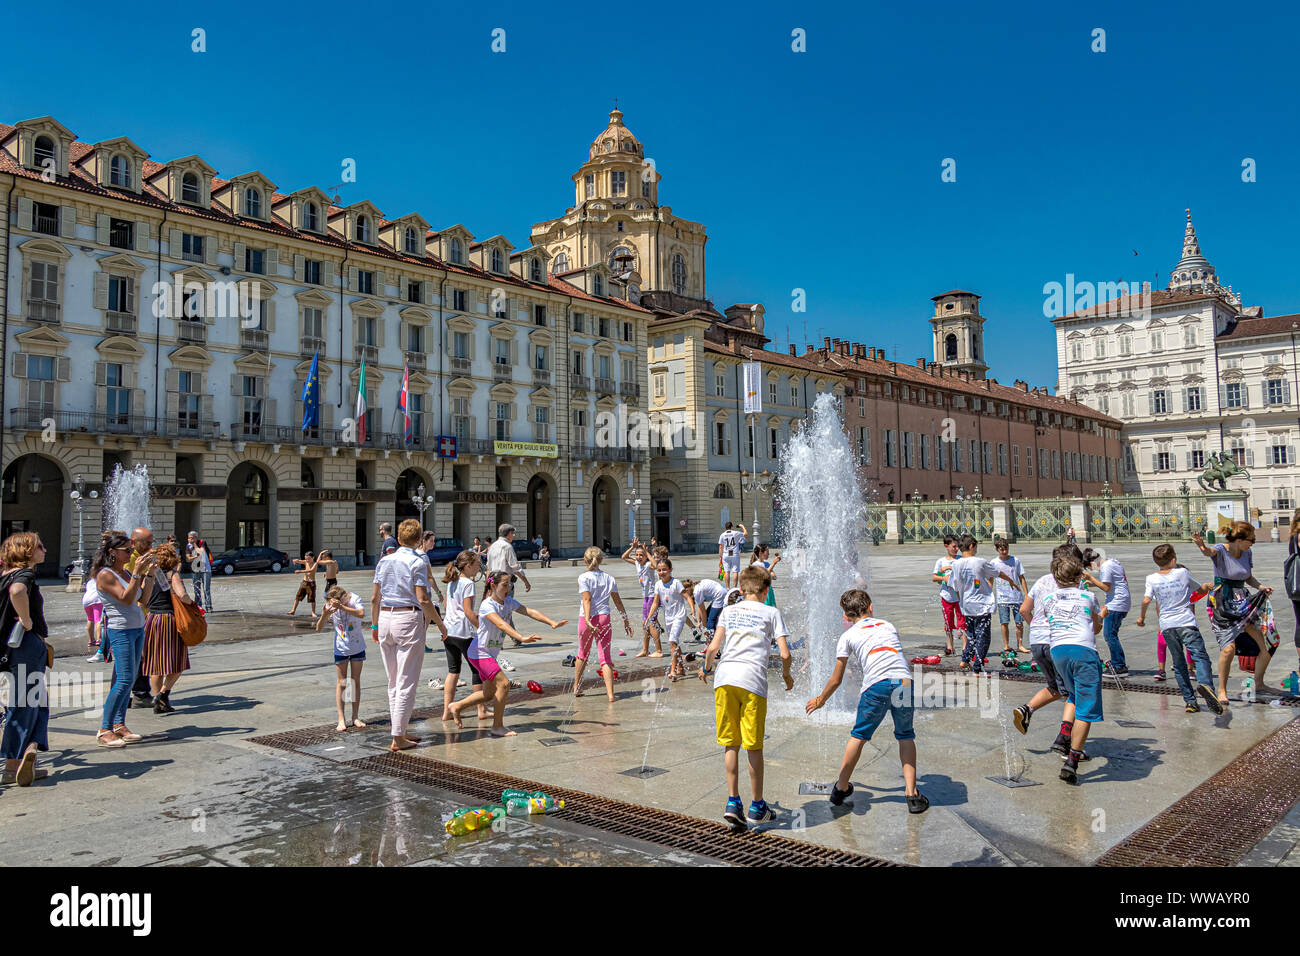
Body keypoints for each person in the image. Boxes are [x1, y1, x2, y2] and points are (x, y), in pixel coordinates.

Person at [805, 589, 928, 813]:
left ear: (846, 616)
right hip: (904, 682)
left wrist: (821, 699)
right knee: (905, 735)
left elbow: (836, 678)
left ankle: (841, 788)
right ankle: (912, 795)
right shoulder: (888, 625)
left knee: (859, 736)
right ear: (870, 607)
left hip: (876, 685)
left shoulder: (847, 636)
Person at [700, 564, 792, 829]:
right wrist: (787, 676)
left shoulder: (729, 611)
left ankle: (732, 802)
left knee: (731, 744)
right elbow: (785, 654)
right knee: (753, 746)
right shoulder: (771, 612)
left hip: (725, 679)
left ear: (741, 590)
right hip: (752, 682)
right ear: (766, 590)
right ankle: (757, 805)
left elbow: (714, 647)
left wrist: (706, 668)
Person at [448, 571, 567, 735]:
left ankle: (457, 706)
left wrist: (551, 622)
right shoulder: (487, 605)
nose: (508, 588)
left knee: (488, 693)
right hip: (480, 653)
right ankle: (497, 727)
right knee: (503, 684)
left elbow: (529, 611)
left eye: (510, 584)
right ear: (493, 585)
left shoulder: (508, 602)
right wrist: (520, 637)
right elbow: (502, 625)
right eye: (504, 585)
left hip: (488, 653)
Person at [370, 519, 447, 751]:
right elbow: (423, 599)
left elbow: (375, 597)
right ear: (418, 539)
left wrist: (374, 626)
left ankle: (399, 731)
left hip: (384, 618)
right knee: (406, 681)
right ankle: (398, 737)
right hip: (408, 619)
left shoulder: (384, 561)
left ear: (400, 538)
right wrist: (441, 626)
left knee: (393, 681)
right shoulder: (417, 562)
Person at [1192, 525, 1279, 704]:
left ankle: (1259, 683)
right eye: (1251, 540)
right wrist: (1202, 547)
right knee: (1228, 648)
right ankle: (1222, 690)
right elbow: (1209, 552)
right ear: (1239, 540)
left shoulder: (1247, 553)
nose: (1253, 544)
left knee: (1267, 644)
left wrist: (1261, 587)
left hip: (1242, 601)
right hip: (1223, 603)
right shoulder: (1221, 550)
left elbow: (1247, 577)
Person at [1134, 544, 1222, 714]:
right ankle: (1205, 685)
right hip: (1186, 622)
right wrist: (1207, 586)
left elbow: (1146, 601)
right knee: (1200, 656)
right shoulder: (1182, 573)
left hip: (1167, 626)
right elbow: (1199, 590)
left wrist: (1141, 618)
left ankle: (1190, 702)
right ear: (1174, 559)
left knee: (1178, 663)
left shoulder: (1151, 578)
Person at [1012, 544, 1081, 755]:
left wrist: (1036, 627)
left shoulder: (1042, 580)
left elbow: (1024, 609)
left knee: (1055, 686)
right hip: (1058, 642)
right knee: (1074, 693)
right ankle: (1064, 738)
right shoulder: (1073, 585)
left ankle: (1027, 709)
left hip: (1037, 642)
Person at [1042, 550, 1104, 784]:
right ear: (1080, 577)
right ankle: (1073, 759)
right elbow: (1096, 628)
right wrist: (1101, 617)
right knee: (1086, 709)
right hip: (1083, 651)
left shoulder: (1049, 600)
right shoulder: (1088, 597)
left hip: (1058, 652)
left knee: (1075, 696)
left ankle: (1065, 736)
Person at [0, 533, 51, 785]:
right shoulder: (24, 576)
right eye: (39, 546)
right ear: (27, 551)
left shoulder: (4, 574)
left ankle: (29, 750)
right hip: (25, 646)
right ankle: (12, 765)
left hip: (13, 648)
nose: (44, 549)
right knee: (26, 702)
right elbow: (17, 591)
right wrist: (28, 620)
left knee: (38, 700)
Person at [94, 531, 153, 748]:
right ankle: (104, 729)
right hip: (120, 631)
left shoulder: (126, 573)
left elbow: (143, 600)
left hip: (137, 629)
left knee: (126, 678)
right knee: (125, 680)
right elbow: (127, 599)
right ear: (112, 552)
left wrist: (149, 574)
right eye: (127, 550)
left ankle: (119, 724)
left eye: (132, 549)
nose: (131, 553)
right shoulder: (105, 575)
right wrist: (137, 571)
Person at [140, 544, 197, 714]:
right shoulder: (173, 574)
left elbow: (143, 600)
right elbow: (182, 595)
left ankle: (158, 700)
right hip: (169, 620)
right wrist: (192, 604)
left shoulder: (149, 575)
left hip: (151, 619)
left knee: (156, 665)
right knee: (178, 662)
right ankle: (163, 695)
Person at [574, 547, 634, 701]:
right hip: (604, 618)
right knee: (605, 658)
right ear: (600, 560)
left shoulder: (583, 577)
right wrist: (625, 620)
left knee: (582, 654)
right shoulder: (609, 578)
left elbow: (586, 600)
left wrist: (587, 620)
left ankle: (577, 687)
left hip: (586, 618)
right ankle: (611, 694)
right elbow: (617, 601)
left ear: (585, 560)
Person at [951, 535, 1016, 674]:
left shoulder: (956, 564)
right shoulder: (979, 562)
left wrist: (962, 601)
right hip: (982, 605)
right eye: (975, 547)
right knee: (983, 637)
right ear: (971, 546)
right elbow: (998, 573)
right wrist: (1010, 580)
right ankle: (977, 668)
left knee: (972, 634)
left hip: (967, 606)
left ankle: (965, 659)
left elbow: (954, 586)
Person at [439, 551, 489, 724]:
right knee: (477, 670)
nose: (478, 568)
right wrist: (482, 628)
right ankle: (481, 709)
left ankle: (446, 711)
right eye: (476, 564)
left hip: (448, 631)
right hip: (463, 632)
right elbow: (468, 612)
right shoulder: (468, 583)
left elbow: (446, 605)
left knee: (453, 671)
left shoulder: (452, 581)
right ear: (468, 566)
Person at [315, 585, 367, 731]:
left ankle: (355, 717)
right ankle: (341, 719)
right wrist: (325, 614)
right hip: (340, 647)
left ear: (344, 597)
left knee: (355, 681)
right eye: (332, 602)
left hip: (357, 646)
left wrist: (343, 608)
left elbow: (362, 613)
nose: (334, 605)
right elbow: (318, 628)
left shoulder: (354, 599)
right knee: (342, 682)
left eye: (337, 602)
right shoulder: (330, 604)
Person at [647, 558, 699, 680]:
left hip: (679, 616)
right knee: (674, 643)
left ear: (670, 570)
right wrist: (649, 616)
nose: (661, 572)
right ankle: (680, 667)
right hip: (668, 617)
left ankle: (673, 670)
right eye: (659, 570)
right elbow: (655, 602)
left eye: (664, 569)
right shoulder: (658, 584)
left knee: (672, 642)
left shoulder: (676, 583)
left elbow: (687, 597)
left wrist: (692, 609)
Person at [486, 524, 532, 645]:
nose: (514, 536)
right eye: (513, 533)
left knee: (500, 611)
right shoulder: (507, 547)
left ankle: (513, 637)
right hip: (506, 584)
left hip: (493, 584)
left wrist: (488, 584)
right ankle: (504, 637)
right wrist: (525, 581)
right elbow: (514, 567)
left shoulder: (492, 547)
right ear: (509, 534)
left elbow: (488, 568)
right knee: (505, 611)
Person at [1091, 549, 1132, 675]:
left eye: (1089, 566)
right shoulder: (1113, 562)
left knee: (1109, 635)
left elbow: (1106, 587)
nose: (1092, 569)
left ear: (1093, 562)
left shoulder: (1106, 567)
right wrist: (1092, 583)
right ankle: (1117, 661)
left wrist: (1091, 578)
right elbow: (1109, 584)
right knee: (1111, 634)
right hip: (1121, 601)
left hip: (1116, 603)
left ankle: (1119, 665)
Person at [991, 537, 1030, 655]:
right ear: (997, 549)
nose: (1004, 552)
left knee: (1019, 622)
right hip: (1003, 597)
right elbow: (990, 580)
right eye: (1002, 550)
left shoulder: (1015, 560)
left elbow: (1021, 578)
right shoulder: (994, 563)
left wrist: (1027, 594)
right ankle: (1006, 645)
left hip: (1016, 597)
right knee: (1004, 622)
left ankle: (1020, 644)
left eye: (1006, 549)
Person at [932, 534, 965, 656]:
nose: (956, 549)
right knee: (948, 621)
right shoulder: (941, 561)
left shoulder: (961, 559)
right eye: (954, 546)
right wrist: (943, 577)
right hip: (946, 596)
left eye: (957, 547)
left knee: (962, 621)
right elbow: (934, 577)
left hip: (960, 597)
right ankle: (950, 646)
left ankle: (964, 646)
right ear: (946, 546)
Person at [186, 531, 213, 613]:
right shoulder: (188, 546)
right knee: (196, 589)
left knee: (206, 589)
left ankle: (208, 607)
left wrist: (194, 544)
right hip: (195, 570)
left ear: (196, 537)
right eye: (189, 538)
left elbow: (201, 552)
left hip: (205, 569)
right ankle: (198, 607)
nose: (190, 539)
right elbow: (188, 559)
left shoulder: (202, 542)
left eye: (192, 538)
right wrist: (194, 557)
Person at [717, 521, 748, 590]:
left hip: (726, 554)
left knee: (727, 571)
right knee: (735, 571)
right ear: (731, 526)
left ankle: (727, 588)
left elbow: (720, 546)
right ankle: (734, 587)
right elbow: (746, 534)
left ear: (725, 527)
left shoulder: (722, 535)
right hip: (735, 554)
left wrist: (720, 556)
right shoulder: (735, 533)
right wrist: (742, 526)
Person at [287, 551, 319, 617]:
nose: (307, 560)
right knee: (298, 596)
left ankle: (313, 612)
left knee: (312, 598)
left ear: (313, 558)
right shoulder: (306, 562)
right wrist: (296, 560)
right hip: (304, 582)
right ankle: (293, 610)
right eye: (306, 558)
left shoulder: (315, 564)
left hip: (311, 583)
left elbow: (310, 570)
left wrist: (300, 571)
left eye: (309, 559)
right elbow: (300, 561)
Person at [749, 543, 782, 607]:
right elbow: (762, 576)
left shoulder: (766, 564)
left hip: (769, 590)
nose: (769, 554)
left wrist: (771, 568)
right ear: (760, 553)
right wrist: (773, 563)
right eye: (767, 552)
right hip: (760, 591)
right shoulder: (755, 565)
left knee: (771, 608)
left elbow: (774, 576)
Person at [84, 568, 106, 662]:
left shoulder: (89, 582)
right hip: (96, 599)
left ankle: (91, 640)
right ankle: (98, 640)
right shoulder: (101, 579)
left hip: (86, 600)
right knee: (98, 620)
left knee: (90, 619)